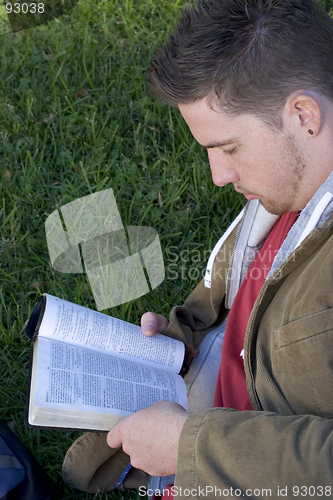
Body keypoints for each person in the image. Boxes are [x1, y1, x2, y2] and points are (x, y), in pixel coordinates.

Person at [62, 0, 333, 498]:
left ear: (304, 115)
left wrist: (192, 445)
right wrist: (173, 346)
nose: (218, 176)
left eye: (230, 148)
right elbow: (230, 306)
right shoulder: (290, 187)